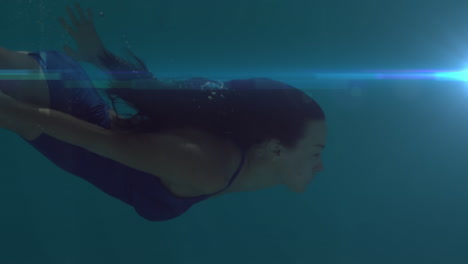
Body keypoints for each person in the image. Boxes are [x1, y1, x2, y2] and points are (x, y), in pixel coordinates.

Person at [0, 4, 327, 221]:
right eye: (315, 153)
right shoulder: (206, 165)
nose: (320, 166)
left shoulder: (243, 164)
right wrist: (19, 113)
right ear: (276, 148)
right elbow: (94, 138)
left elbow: (164, 102)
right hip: (53, 106)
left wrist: (99, 56)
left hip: (56, 104)